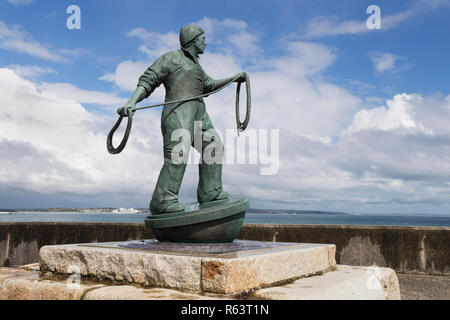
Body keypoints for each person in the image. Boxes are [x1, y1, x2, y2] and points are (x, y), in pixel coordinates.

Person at [118, 24, 246, 214]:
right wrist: (132, 102)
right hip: (177, 113)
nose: (206, 42)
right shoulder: (171, 58)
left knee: (213, 146)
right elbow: (149, 79)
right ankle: (162, 200)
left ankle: (209, 191)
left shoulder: (197, 65)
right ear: (193, 39)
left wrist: (233, 79)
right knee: (178, 155)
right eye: (203, 38)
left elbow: (208, 85)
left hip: (199, 114)